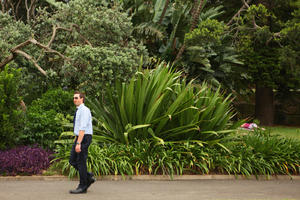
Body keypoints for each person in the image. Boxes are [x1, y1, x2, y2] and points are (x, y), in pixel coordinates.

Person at [69, 91, 95, 194]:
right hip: (80, 137)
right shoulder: (79, 110)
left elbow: (83, 127)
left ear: (82, 99)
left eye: (76, 98)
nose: (74, 100)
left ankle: (83, 186)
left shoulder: (84, 110)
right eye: (74, 98)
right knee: (72, 160)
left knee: (80, 161)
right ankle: (88, 177)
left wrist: (79, 143)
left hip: (84, 137)